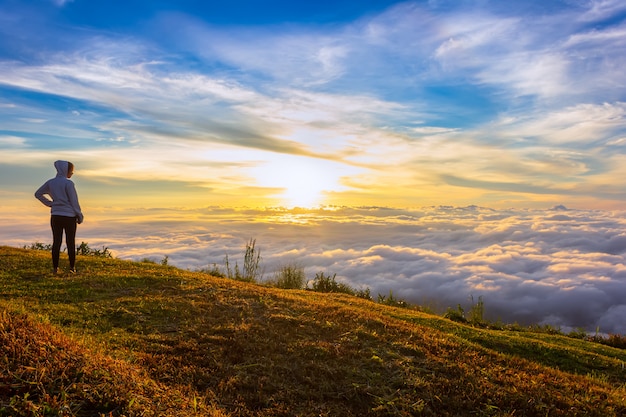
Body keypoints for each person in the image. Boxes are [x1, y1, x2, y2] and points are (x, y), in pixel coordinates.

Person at [35, 160, 84, 274]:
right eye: (71, 171)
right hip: (69, 216)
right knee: (70, 242)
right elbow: (74, 201)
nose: (72, 173)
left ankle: (55, 268)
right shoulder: (68, 184)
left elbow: (38, 194)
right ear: (66, 170)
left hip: (56, 216)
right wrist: (79, 215)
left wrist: (51, 203)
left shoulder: (51, 183)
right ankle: (72, 268)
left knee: (56, 242)